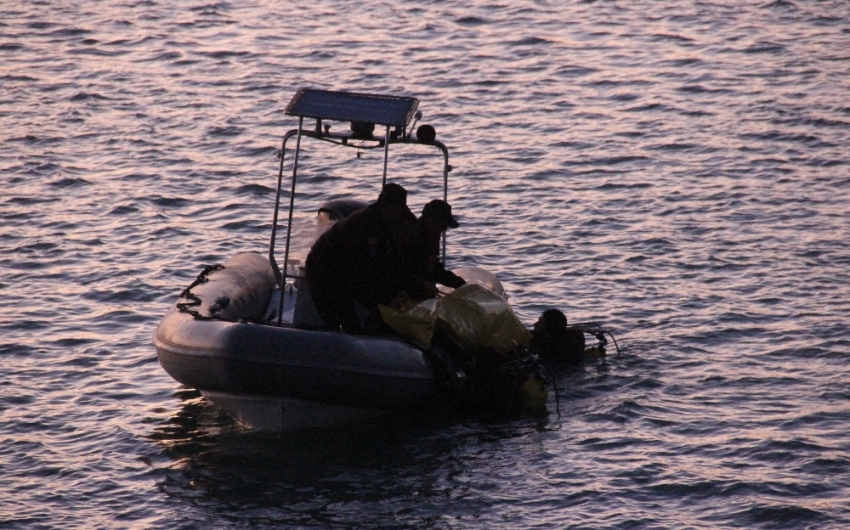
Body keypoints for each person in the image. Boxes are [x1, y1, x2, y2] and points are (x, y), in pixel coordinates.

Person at [305, 183, 415, 332]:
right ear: (389, 208)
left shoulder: (387, 224)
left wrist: (398, 289)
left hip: (347, 271)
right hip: (325, 271)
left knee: (367, 311)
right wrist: (387, 297)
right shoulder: (363, 224)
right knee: (343, 321)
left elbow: (391, 259)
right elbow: (364, 270)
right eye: (398, 211)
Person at [396, 199, 466, 302]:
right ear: (432, 221)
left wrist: (458, 283)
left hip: (424, 295)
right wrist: (422, 285)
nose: (445, 229)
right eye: (443, 225)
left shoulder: (431, 238)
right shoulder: (410, 239)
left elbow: (434, 268)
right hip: (406, 297)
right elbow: (399, 272)